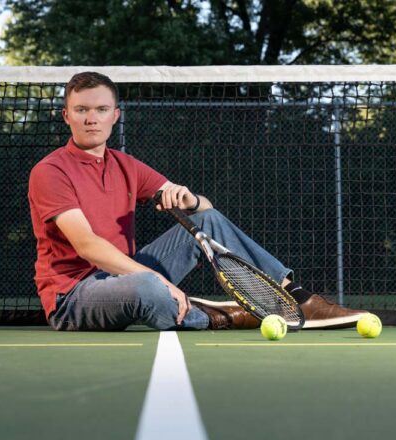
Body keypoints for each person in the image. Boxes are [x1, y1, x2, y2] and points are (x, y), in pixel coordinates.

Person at [28, 71, 367, 331]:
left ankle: (297, 298)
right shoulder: (50, 171)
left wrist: (189, 200)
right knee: (148, 287)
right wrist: (159, 281)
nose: (92, 118)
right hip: (73, 295)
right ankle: (219, 316)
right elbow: (88, 246)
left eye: (101, 109)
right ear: (66, 116)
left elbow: (205, 211)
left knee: (206, 220)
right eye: (82, 110)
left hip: (123, 276)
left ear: (115, 115)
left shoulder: (125, 165)